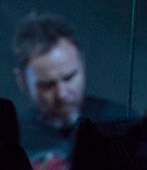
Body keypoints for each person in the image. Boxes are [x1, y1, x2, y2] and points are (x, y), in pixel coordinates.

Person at [12, 12, 129, 169]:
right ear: (22, 80)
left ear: (82, 62)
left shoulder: (121, 121)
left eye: (69, 77)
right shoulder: (11, 137)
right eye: (47, 85)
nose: (61, 94)